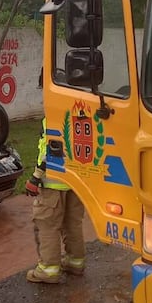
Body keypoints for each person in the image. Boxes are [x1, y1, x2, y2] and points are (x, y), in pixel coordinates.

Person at [25, 117, 86, 284]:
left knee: (47, 226)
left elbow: (49, 149)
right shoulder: (80, 115)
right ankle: (75, 263)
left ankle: (48, 270)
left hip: (53, 182)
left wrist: (36, 176)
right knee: (73, 224)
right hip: (76, 181)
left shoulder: (54, 114)